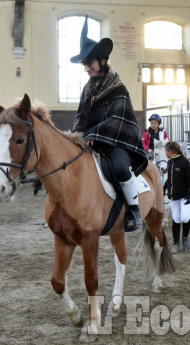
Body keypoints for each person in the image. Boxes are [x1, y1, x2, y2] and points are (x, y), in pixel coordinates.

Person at [71, 16, 147, 231]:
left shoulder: (118, 87)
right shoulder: (88, 89)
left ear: (102, 61)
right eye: (85, 64)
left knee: (120, 167)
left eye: (89, 63)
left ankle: (133, 209)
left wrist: (95, 134)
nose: (86, 68)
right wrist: (76, 135)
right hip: (91, 140)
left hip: (117, 140)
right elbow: (80, 117)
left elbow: (118, 118)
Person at [163, 141, 190, 253]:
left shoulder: (185, 163)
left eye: (166, 150)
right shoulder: (170, 162)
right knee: (176, 219)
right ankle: (176, 243)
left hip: (185, 196)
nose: (165, 153)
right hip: (173, 196)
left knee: (185, 218)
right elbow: (170, 178)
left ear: (171, 151)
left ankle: (185, 238)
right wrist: (164, 188)